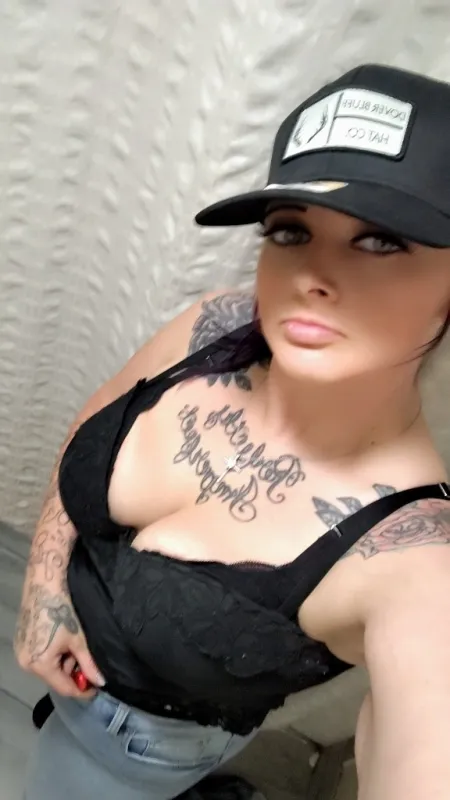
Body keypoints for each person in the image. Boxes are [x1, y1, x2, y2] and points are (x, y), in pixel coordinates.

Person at [15, 62, 450, 800]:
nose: (311, 274)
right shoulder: (216, 325)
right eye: (290, 230)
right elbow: (97, 418)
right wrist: (43, 589)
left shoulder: (413, 557)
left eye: (381, 242)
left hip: (132, 757)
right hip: (64, 679)